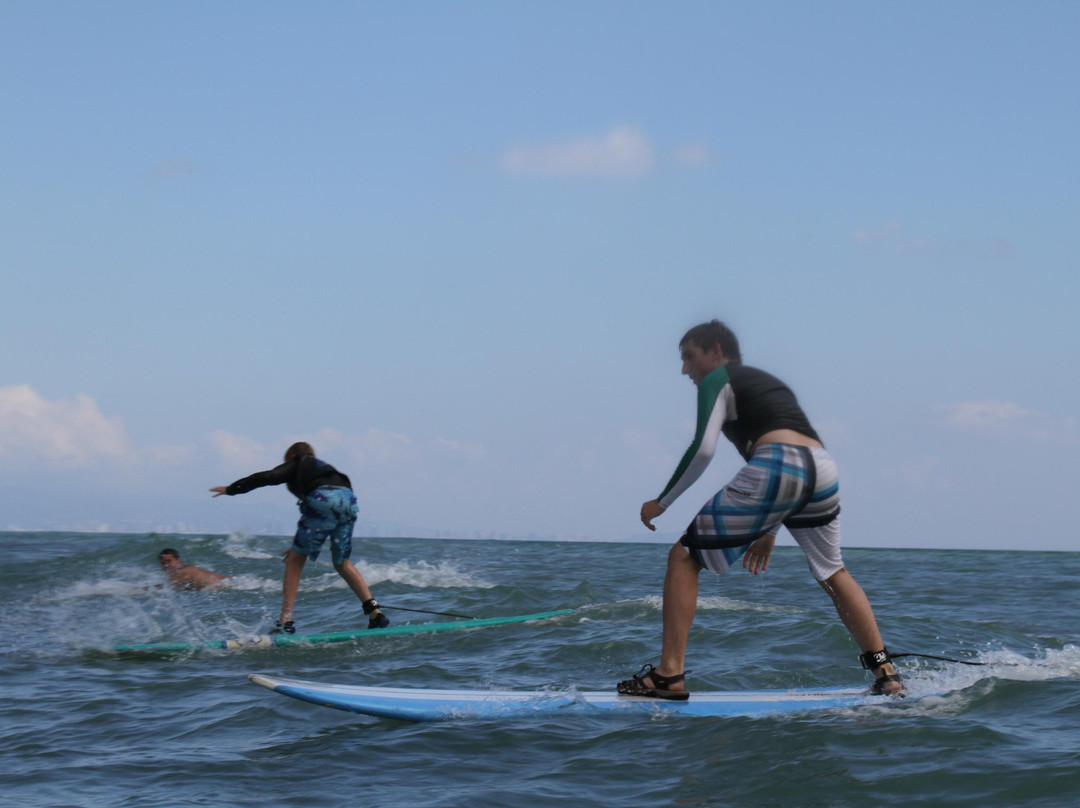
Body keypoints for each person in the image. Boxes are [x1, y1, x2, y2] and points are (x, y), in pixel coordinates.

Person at [618, 320, 903, 700]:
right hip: (821, 468)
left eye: (689, 357)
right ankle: (886, 672)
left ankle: (669, 674)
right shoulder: (768, 382)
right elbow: (795, 463)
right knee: (834, 571)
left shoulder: (716, 379)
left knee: (683, 558)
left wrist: (662, 501)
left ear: (716, 352)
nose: (684, 369)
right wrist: (769, 531)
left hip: (778, 464)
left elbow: (703, 448)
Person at [210, 441, 389, 633]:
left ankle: (285, 622)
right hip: (348, 501)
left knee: (295, 561)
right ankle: (375, 613)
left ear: (292, 457)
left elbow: (268, 477)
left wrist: (232, 489)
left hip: (323, 498)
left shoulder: (299, 461)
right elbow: (331, 514)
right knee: (342, 562)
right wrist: (301, 545)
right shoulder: (326, 470)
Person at [158, 548, 230, 591]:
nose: (165, 565)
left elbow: (167, 586)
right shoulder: (185, 571)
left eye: (169, 561)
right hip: (227, 583)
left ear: (178, 561)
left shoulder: (184, 571)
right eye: (163, 563)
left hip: (227, 585)